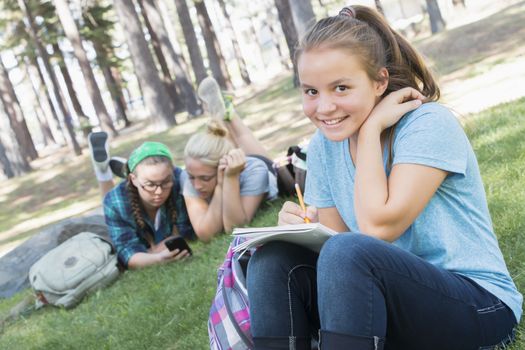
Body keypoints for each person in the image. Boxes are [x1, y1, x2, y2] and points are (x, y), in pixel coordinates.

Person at [245, 5, 522, 350]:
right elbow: (333, 244)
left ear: (380, 82)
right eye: (311, 91)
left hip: (478, 306)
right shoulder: (323, 147)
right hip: (387, 303)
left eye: (341, 88)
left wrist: (373, 129)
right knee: (274, 259)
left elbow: (378, 229)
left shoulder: (427, 124)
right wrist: (301, 228)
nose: (324, 107)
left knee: (349, 252)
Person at [181, 77, 278, 242]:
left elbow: (233, 227)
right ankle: (222, 114)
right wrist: (219, 185)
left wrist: (230, 177)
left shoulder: (255, 170)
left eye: (205, 178)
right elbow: (205, 233)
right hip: (227, 162)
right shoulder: (191, 173)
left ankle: (228, 113)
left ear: (222, 167)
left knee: (243, 138)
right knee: (231, 142)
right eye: (192, 177)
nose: (196, 185)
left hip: (256, 169)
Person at [89, 136, 195, 269]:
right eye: (150, 184)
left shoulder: (179, 178)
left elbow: (188, 231)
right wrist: (157, 258)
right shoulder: (115, 202)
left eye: (165, 182)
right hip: (109, 217)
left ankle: (127, 169)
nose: (158, 192)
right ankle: (103, 172)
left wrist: (155, 250)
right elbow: (127, 253)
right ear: (133, 179)